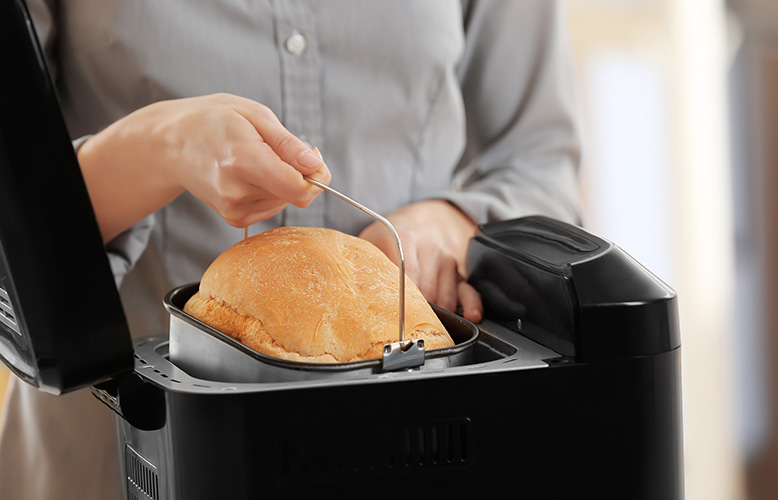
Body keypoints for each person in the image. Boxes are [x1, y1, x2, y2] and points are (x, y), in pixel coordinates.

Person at [0, 1, 582, 498]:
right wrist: (156, 148)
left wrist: (447, 221)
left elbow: (539, 159)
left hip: (416, 446)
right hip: (128, 458)